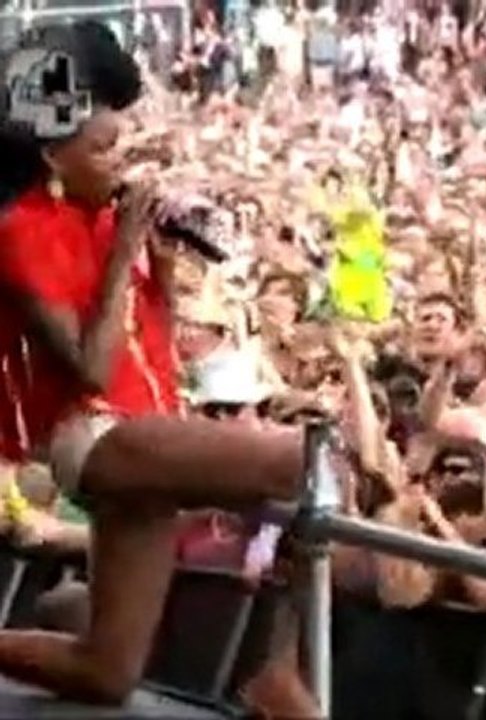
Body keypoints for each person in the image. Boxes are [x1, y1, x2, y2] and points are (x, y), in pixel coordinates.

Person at [0, 23, 314, 713]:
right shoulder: (22, 230)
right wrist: (122, 258)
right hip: (94, 435)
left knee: (107, 670)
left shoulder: (112, 222)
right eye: (104, 148)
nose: (122, 160)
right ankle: (281, 671)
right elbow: (89, 369)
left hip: (146, 429)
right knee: (303, 463)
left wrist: (160, 270)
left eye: (124, 143)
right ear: (54, 155)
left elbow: (153, 351)